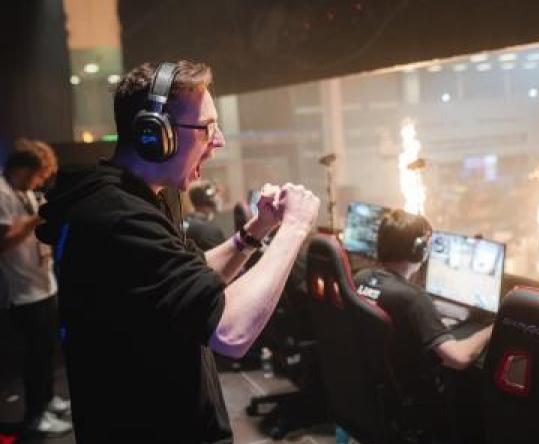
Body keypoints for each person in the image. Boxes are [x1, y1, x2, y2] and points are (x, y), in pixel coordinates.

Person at [35, 61, 320, 443]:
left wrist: (257, 230)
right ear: (154, 133)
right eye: (207, 128)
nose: (219, 141)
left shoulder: (131, 199)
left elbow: (190, 277)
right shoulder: (117, 219)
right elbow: (230, 331)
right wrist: (295, 228)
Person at [352, 209, 491, 437]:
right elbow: (459, 358)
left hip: (372, 395)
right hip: (413, 403)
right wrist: (492, 327)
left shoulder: (360, 279)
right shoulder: (413, 300)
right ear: (419, 251)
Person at [0, 139, 72, 436]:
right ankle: (35, 415)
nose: (42, 181)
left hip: (43, 283)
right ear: (24, 169)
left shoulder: (26, 191)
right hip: (22, 291)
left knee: (47, 352)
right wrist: (37, 219)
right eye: (41, 174)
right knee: (35, 357)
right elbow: (3, 241)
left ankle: (48, 400)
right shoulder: (2, 192)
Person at [184, 180, 225, 250]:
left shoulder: (184, 222)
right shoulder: (210, 231)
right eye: (216, 196)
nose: (220, 199)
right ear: (209, 200)